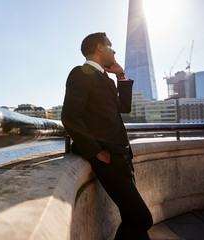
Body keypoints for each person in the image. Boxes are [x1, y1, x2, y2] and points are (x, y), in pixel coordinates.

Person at [61, 32, 153, 239]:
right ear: (99, 47)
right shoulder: (81, 73)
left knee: (132, 217)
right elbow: (70, 116)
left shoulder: (105, 79)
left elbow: (124, 108)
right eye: (111, 46)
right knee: (142, 218)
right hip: (108, 156)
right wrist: (96, 152)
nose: (115, 51)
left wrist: (120, 76)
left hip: (122, 154)